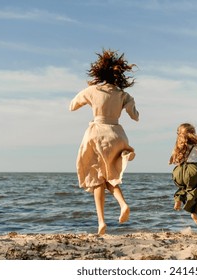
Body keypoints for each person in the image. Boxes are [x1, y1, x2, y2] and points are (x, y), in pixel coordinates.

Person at [69, 49, 139, 235]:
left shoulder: (92, 90)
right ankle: (123, 204)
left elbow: (72, 106)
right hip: (116, 134)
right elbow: (135, 116)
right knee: (110, 176)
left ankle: (101, 221)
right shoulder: (123, 94)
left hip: (96, 134)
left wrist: (91, 100)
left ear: (99, 72)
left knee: (96, 179)